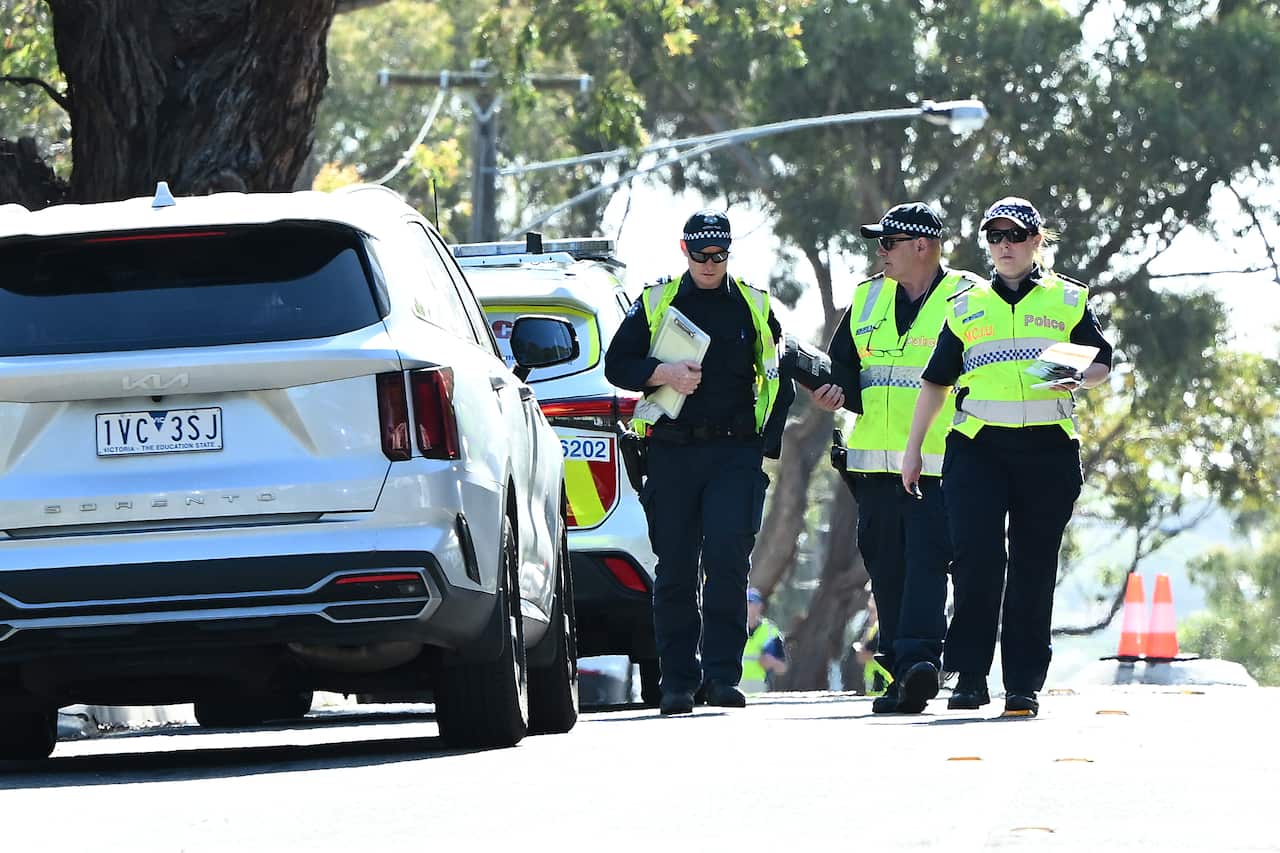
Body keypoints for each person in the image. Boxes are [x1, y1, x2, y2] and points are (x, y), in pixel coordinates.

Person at [901, 196, 1113, 717]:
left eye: (1014, 236)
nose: (1004, 246)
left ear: (1038, 240)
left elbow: (1103, 363)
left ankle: (1023, 684)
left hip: (1047, 448)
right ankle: (969, 678)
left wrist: (1059, 374)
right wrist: (912, 452)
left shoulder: (1067, 299)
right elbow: (935, 382)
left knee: (1032, 568)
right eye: (994, 237)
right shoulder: (966, 304)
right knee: (976, 562)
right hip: (978, 448)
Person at [604, 209, 794, 716]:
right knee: (677, 569)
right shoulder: (655, 301)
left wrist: (762, 445)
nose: (710, 264)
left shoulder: (753, 304)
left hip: (734, 453)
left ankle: (722, 676)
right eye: (700, 254)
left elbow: (779, 378)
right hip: (671, 450)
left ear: (729, 254)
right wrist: (660, 371)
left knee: (729, 559)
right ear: (683, 250)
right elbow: (616, 365)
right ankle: (678, 684)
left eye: (719, 255)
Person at [808, 202, 984, 714]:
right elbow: (846, 371)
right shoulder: (866, 298)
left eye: (887, 243)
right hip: (873, 467)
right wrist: (830, 391)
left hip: (939, 464)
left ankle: (921, 661)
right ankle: (901, 672)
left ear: (921, 247)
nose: (878, 252)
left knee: (928, 563)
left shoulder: (968, 296)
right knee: (887, 571)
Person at [741, 587, 787, 694]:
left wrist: (772, 662)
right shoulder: (732, 630)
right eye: (745, 602)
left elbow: (783, 667)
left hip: (761, 690)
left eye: (750, 602)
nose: (747, 606)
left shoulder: (770, 632)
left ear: (759, 606)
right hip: (735, 687)